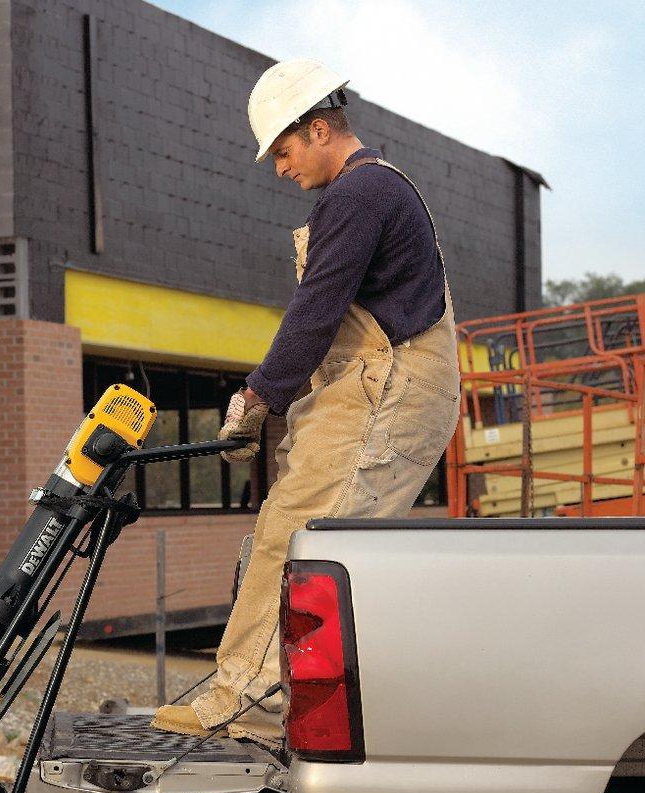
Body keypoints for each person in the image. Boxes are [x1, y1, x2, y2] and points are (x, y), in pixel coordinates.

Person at [152, 58, 462, 747]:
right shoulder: (376, 191)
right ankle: (305, 706)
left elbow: (315, 312)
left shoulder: (359, 195)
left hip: (388, 387)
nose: (279, 167)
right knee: (317, 546)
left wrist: (257, 397)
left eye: (284, 150)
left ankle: (247, 700)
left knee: (297, 536)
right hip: (379, 384)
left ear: (320, 129)